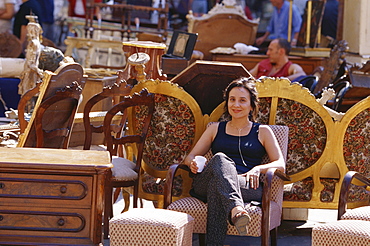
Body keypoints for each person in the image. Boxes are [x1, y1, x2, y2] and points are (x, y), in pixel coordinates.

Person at [184, 77, 285, 245]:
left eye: (242, 100)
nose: (236, 105)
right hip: (205, 182)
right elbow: (190, 157)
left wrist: (258, 169)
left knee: (217, 186)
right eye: (232, 100)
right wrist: (192, 163)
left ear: (252, 105)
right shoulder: (215, 128)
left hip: (246, 184)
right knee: (220, 159)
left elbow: (280, 164)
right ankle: (237, 209)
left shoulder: (263, 131)